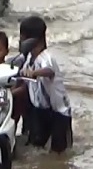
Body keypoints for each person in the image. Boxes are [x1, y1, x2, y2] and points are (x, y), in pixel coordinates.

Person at [19, 16, 72, 153]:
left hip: (59, 111)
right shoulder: (29, 58)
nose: (20, 41)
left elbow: (49, 71)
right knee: (36, 145)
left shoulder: (46, 57)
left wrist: (35, 73)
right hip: (41, 109)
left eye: (22, 38)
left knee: (59, 151)